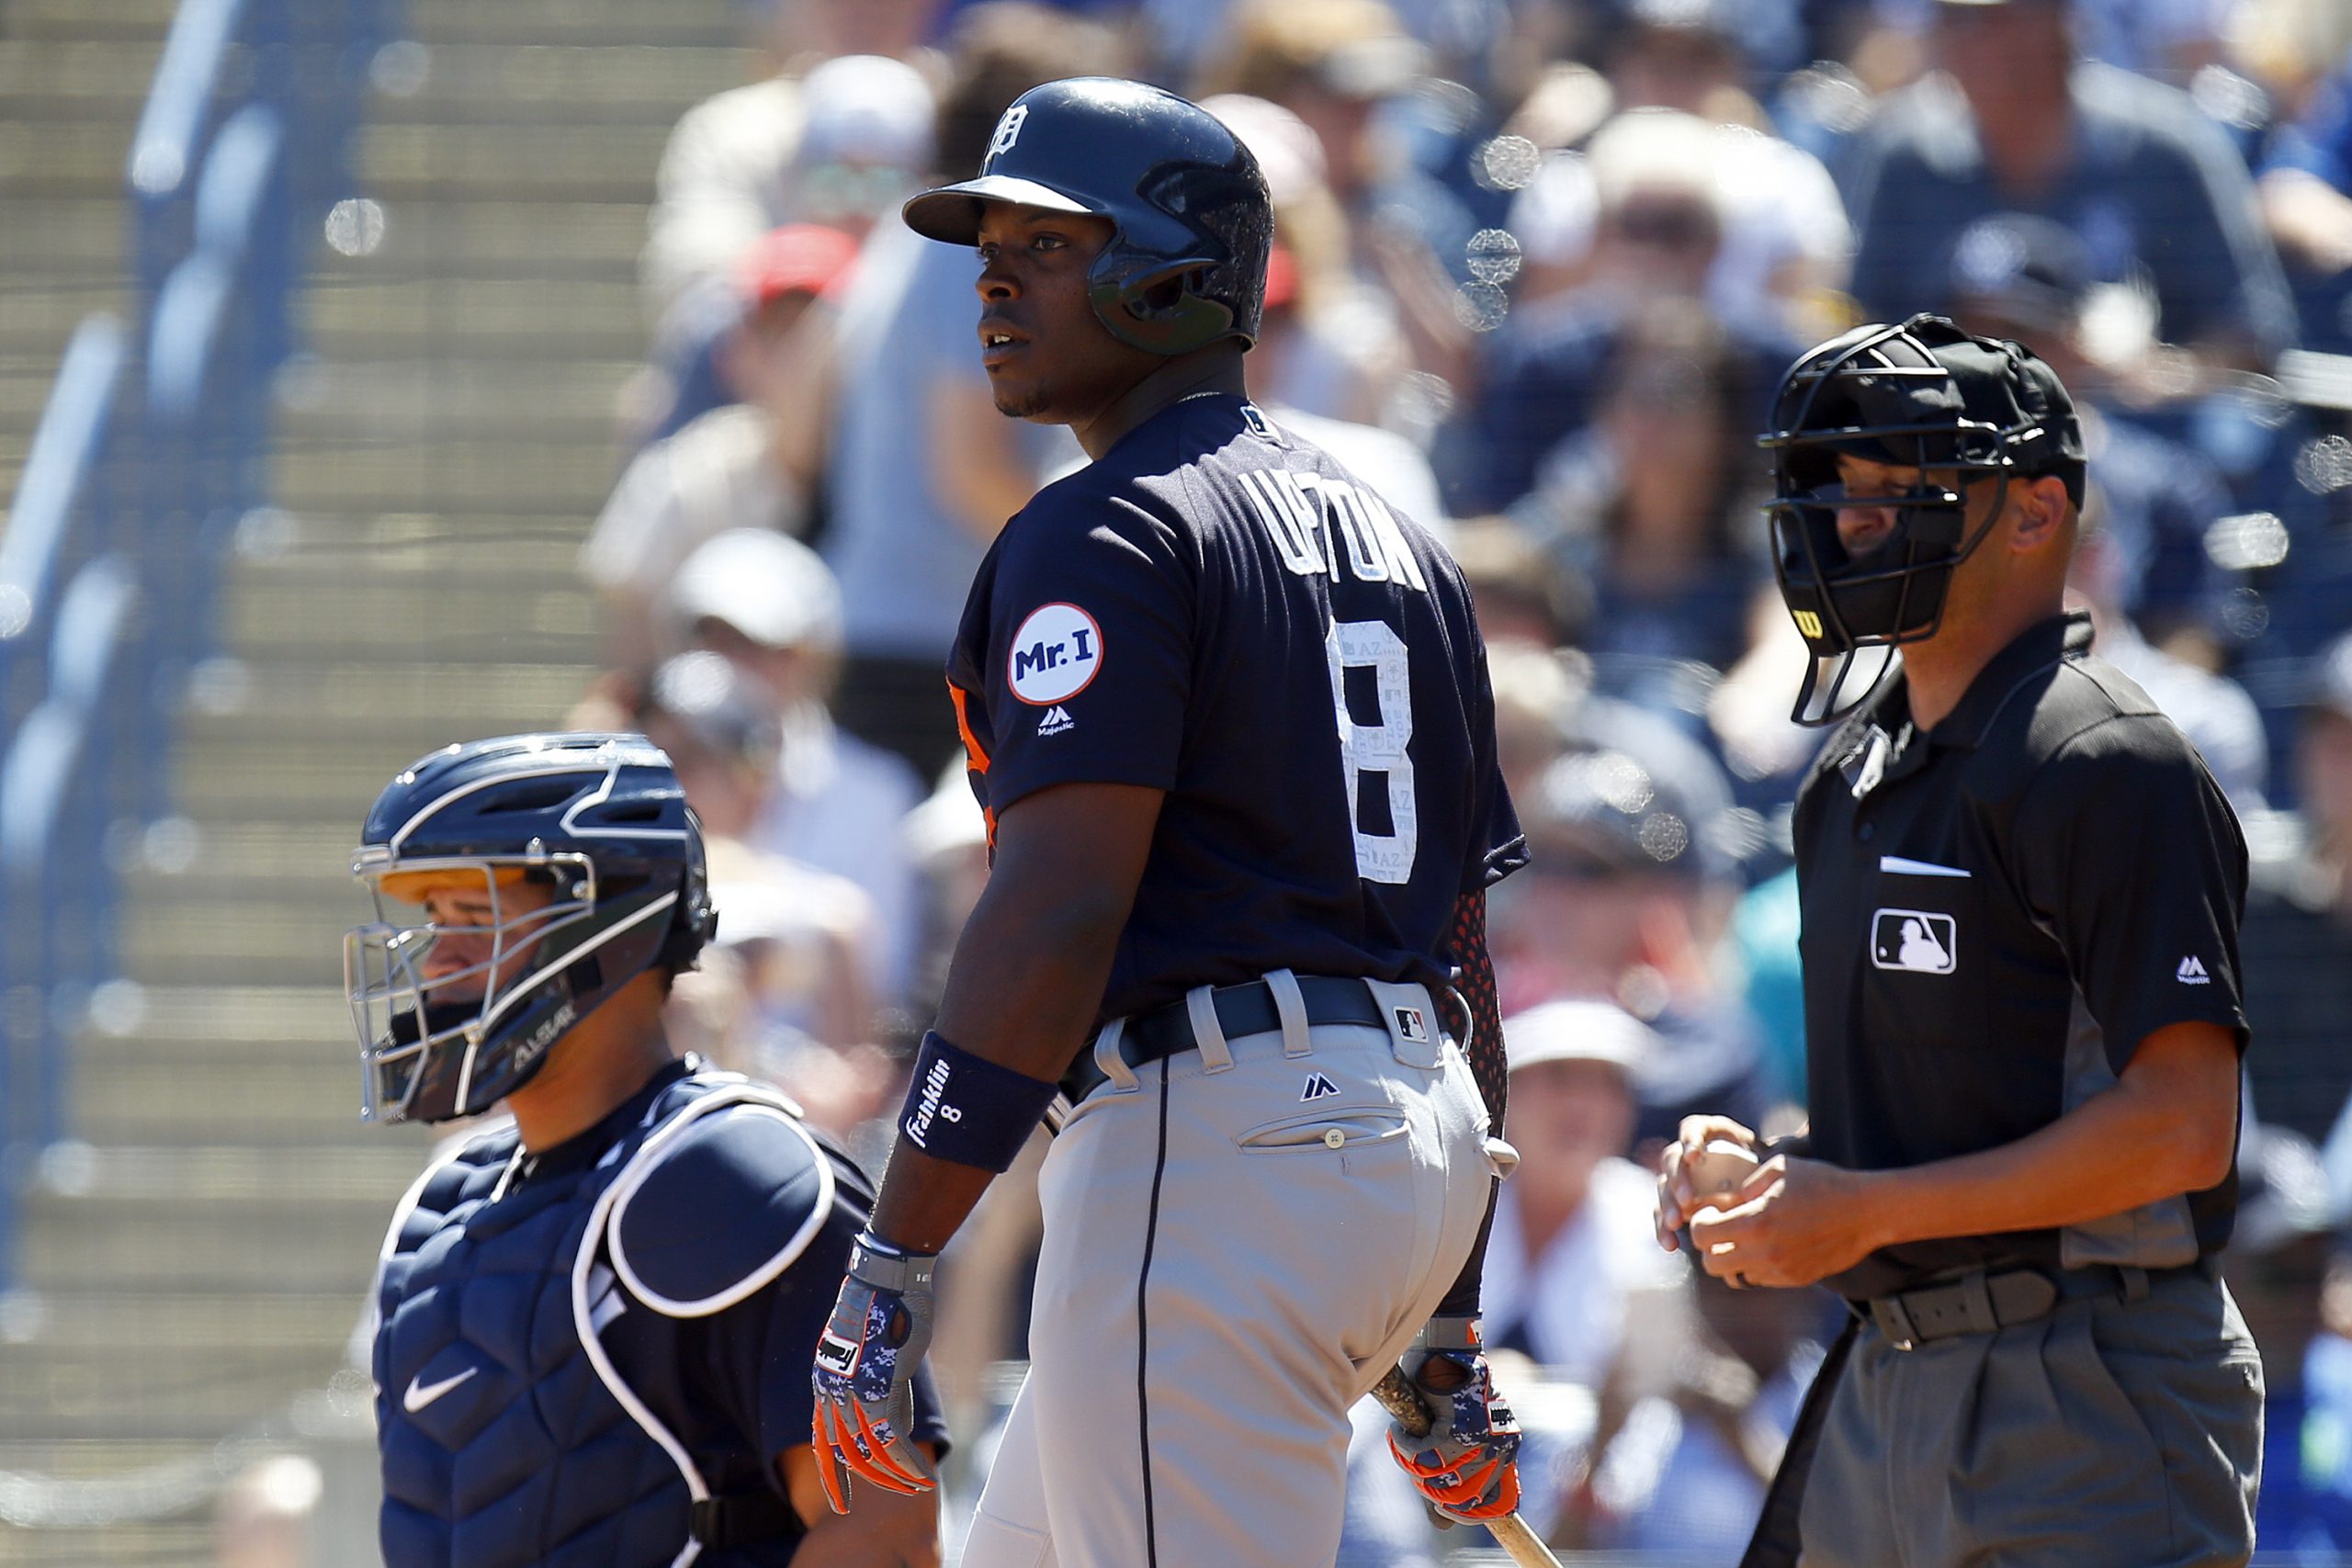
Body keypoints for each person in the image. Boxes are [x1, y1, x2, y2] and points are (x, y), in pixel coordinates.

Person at [802, 78, 1527, 1568]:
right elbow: (1461, 946)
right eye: (988, 244)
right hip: (1397, 1142)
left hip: (1223, 1152)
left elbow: (1058, 907)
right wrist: (1444, 1313)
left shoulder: (1107, 525)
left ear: (1185, 276)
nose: (995, 279)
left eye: (1051, 244)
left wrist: (900, 1242)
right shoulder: (1393, 532)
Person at [1657, 315, 2263, 1567]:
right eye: (1839, 490)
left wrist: (1863, 1205)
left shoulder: (2104, 756)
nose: (1855, 521)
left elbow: (2180, 1124)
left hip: (2089, 1383)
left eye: (1902, 490)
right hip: (1889, 1380)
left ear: (2035, 513)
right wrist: (1782, 1181)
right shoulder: (1855, 774)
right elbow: (1961, 1119)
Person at [347, 733, 945, 1567]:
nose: (438, 961)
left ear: (609, 936)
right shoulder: (444, 1205)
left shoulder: (740, 1182)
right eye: (435, 919)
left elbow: (886, 1532)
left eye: (477, 918)